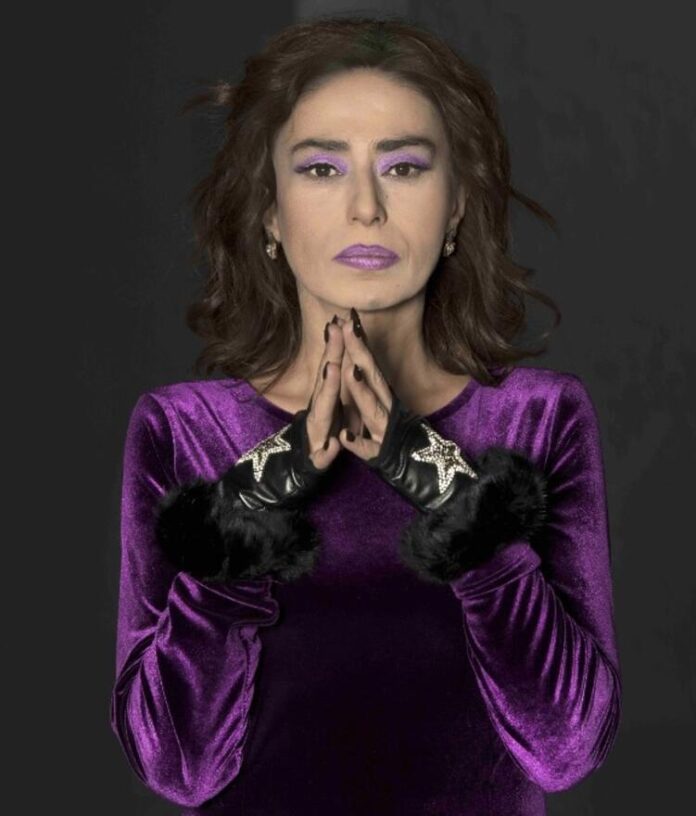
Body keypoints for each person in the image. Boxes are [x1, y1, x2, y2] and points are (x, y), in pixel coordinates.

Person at [109, 15, 622, 815]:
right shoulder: (183, 431)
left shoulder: (539, 419)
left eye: (405, 167)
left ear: (457, 206)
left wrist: (437, 478)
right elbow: (175, 767)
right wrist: (264, 487)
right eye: (321, 168)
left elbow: (569, 747)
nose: (366, 208)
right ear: (269, 212)